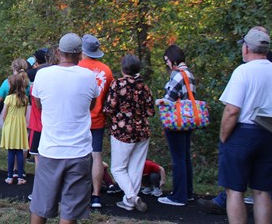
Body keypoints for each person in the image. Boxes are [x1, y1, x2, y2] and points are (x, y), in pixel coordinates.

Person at [30, 33, 99, 224]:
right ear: (80, 54)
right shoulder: (88, 77)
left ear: (58, 52)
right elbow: (91, 106)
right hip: (79, 151)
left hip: (50, 150)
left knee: (40, 204)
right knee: (70, 210)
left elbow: (37, 103)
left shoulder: (43, 74)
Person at [218, 27, 272, 224]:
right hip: (270, 132)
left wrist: (224, 136)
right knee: (263, 191)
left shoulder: (243, 72)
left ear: (246, 49)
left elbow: (232, 110)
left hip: (242, 133)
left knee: (235, 189)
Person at [104, 54, 154, 212]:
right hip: (142, 131)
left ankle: (132, 196)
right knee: (136, 167)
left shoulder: (117, 85)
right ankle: (129, 201)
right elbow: (151, 111)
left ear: (122, 68)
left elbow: (109, 108)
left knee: (118, 168)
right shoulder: (144, 87)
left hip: (122, 131)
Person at [78, 34, 114, 209]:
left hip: (79, 118)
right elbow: (110, 96)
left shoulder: (77, 68)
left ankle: (79, 191)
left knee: (77, 154)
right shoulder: (106, 70)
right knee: (96, 155)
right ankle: (96, 195)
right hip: (99, 118)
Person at [157, 44, 195, 206]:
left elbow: (170, 98)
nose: (166, 63)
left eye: (167, 60)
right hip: (189, 119)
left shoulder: (177, 74)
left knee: (178, 158)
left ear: (172, 59)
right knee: (185, 157)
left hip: (176, 121)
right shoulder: (189, 74)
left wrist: (159, 101)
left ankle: (178, 196)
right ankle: (187, 192)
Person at [0, 73, 29, 185]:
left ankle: (10, 176)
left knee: (11, 151)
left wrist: (4, 122)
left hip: (10, 126)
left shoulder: (8, 98)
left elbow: (4, 115)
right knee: (20, 151)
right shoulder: (25, 99)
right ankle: (21, 177)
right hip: (20, 126)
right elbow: (25, 113)